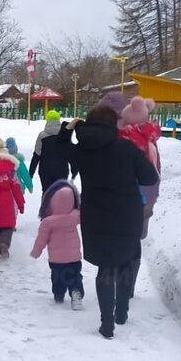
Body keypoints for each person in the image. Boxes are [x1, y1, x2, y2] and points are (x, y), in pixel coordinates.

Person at [71, 105, 159, 339]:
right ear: (113, 124)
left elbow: (61, 149)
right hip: (127, 213)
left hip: (95, 215)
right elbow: (150, 177)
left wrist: (70, 128)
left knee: (105, 266)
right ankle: (121, 312)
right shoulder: (126, 148)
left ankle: (106, 323)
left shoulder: (81, 150)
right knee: (125, 260)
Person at [29, 180, 84, 308]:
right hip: (74, 257)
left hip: (56, 259)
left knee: (57, 277)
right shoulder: (76, 215)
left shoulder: (48, 222)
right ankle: (76, 293)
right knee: (75, 276)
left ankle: (59, 294)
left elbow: (41, 239)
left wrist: (36, 252)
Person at [31, 110, 75, 190]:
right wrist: (73, 171)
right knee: (61, 194)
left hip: (45, 170)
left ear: (47, 120)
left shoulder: (42, 135)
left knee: (46, 194)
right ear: (58, 120)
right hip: (62, 169)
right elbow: (70, 153)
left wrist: (30, 174)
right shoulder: (64, 135)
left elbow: (36, 155)